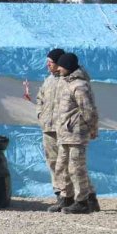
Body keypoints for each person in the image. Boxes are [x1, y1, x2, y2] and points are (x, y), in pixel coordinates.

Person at [52, 53, 100, 214]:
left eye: (61, 66)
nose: (58, 69)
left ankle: (83, 202)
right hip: (65, 133)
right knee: (62, 167)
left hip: (76, 133)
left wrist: (92, 129)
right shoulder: (65, 83)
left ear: (68, 67)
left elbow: (88, 110)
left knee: (76, 168)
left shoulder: (79, 85)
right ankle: (67, 197)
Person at [36, 49, 66, 208]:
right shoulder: (48, 80)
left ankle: (73, 196)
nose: (48, 65)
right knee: (53, 163)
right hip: (48, 128)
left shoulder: (70, 80)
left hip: (65, 130)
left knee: (67, 163)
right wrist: (41, 115)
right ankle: (59, 195)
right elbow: (40, 98)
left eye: (51, 62)